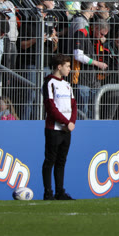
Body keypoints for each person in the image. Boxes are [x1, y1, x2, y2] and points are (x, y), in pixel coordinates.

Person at [42, 53, 76, 201]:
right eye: (67, 66)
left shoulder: (67, 85)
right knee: (50, 160)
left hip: (66, 130)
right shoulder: (49, 83)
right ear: (59, 66)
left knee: (61, 161)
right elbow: (51, 107)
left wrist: (71, 122)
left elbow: (74, 106)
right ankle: (48, 192)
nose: (69, 69)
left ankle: (60, 191)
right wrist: (65, 122)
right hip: (54, 129)